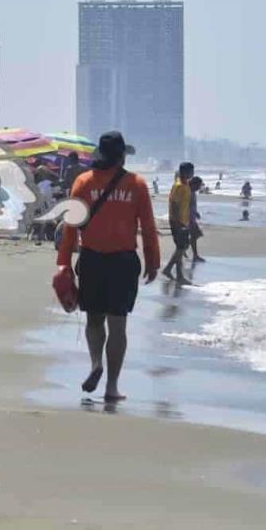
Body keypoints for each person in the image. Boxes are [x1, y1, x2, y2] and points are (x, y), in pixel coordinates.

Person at [58, 132, 159, 403]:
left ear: (100, 154)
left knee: (93, 319)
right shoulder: (136, 184)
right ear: (123, 154)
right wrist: (153, 261)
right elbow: (148, 228)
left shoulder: (82, 182)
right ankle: (112, 386)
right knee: (118, 325)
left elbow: (70, 227)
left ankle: (95, 364)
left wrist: (64, 264)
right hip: (123, 263)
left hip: (91, 260)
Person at [164, 161, 195, 285]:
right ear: (185, 172)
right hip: (177, 221)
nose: (192, 174)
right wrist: (177, 223)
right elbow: (174, 204)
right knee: (181, 248)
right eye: (191, 171)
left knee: (181, 248)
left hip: (183, 221)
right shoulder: (179, 186)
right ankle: (177, 274)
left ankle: (169, 270)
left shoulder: (186, 185)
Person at [188, 175, 205, 263]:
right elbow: (185, 206)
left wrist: (196, 212)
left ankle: (193, 254)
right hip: (188, 219)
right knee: (195, 235)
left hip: (192, 218)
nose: (199, 188)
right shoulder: (188, 192)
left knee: (196, 235)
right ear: (194, 184)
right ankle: (194, 255)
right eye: (198, 186)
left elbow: (192, 205)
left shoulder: (193, 192)